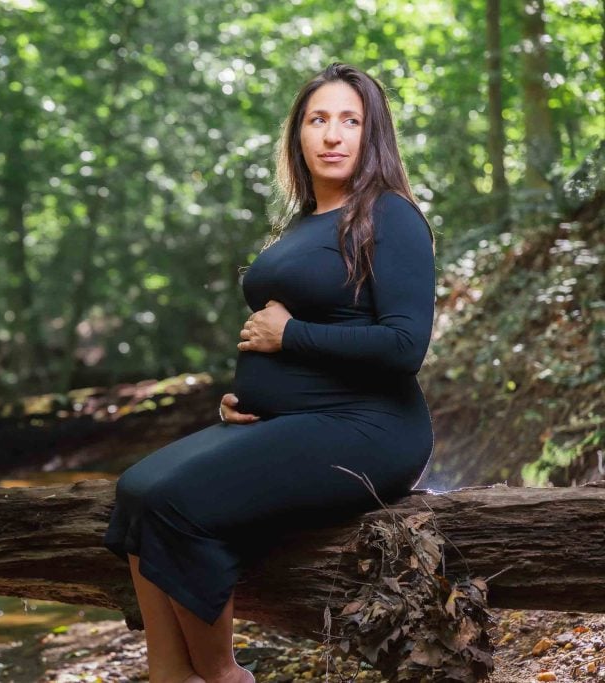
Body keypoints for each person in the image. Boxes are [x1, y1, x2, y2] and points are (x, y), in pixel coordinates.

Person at [102, 61, 437, 683]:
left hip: (372, 428)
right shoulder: (305, 223)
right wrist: (251, 400)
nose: (332, 135)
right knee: (137, 488)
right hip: (295, 420)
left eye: (350, 121)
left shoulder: (390, 216)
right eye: (317, 119)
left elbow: (404, 346)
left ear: (373, 134)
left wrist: (289, 336)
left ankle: (224, 675)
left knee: (177, 501)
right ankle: (169, 675)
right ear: (297, 134)